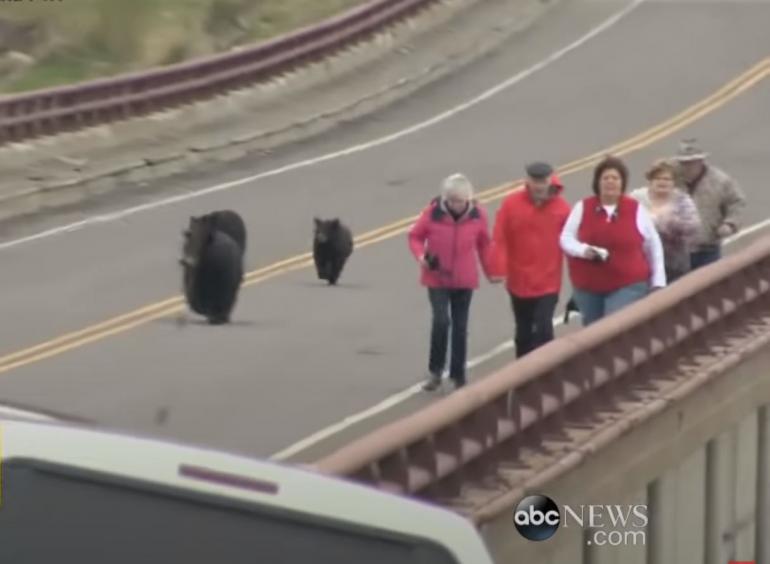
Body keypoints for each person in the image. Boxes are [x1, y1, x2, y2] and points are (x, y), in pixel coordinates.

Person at [408, 173, 495, 391]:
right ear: (446, 198)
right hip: (437, 278)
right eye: (453, 200)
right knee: (441, 322)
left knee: (460, 326)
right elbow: (415, 236)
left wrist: (492, 271)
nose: (457, 205)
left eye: (462, 200)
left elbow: (485, 245)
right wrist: (421, 257)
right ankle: (435, 371)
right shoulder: (432, 214)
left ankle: (458, 373)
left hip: (464, 279)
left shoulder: (478, 216)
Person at [560, 155, 666, 326]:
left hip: (628, 284)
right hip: (588, 286)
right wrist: (583, 250)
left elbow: (653, 245)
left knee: (612, 326)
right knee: (593, 333)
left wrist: (658, 281)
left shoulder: (635, 209)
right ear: (598, 182)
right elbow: (566, 238)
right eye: (605, 178)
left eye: (615, 178)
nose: (610, 182)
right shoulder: (583, 207)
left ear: (622, 183)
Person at [489, 162, 571, 358]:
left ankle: (547, 373)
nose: (539, 186)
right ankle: (523, 378)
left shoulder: (562, 209)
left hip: (548, 284)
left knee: (543, 331)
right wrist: (497, 269)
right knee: (523, 334)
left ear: (550, 180)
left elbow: (571, 242)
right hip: (519, 283)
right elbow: (500, 237)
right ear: (527, 181)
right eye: (534, 181)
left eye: (542, 181)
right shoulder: (511, 204)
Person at [673, 138, 746, 269]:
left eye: (691, 162)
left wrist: (729, 224)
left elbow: (736, 203)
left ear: (701, 161)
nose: (687, 167)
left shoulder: (720, 181)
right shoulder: (671, 180)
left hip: (708, 249)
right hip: (677, 251)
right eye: (683, 163)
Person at [630, 159, 701, 283]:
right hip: (643, 265)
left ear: (674, 182)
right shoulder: (636, 198)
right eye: (657, 178)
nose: (662, 182)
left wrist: (663, 222)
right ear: (650, 181)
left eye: (667, 179)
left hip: (674, 265)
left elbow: (693, 227)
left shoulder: (682, 200)